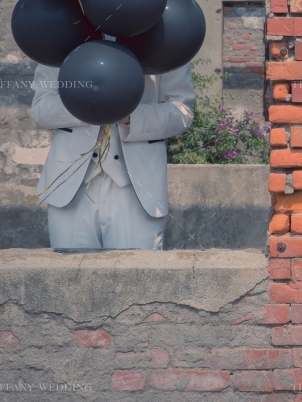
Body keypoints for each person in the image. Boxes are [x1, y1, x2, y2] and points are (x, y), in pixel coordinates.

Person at [29, 42, 195, 250]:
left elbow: (181, 113)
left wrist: (129, 116)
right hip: (70, 187)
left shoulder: (166, 40)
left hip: (138, 189)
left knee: (137, 270)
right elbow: (41, 110)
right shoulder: (63, 36)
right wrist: (88, 105)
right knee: (69, 270)